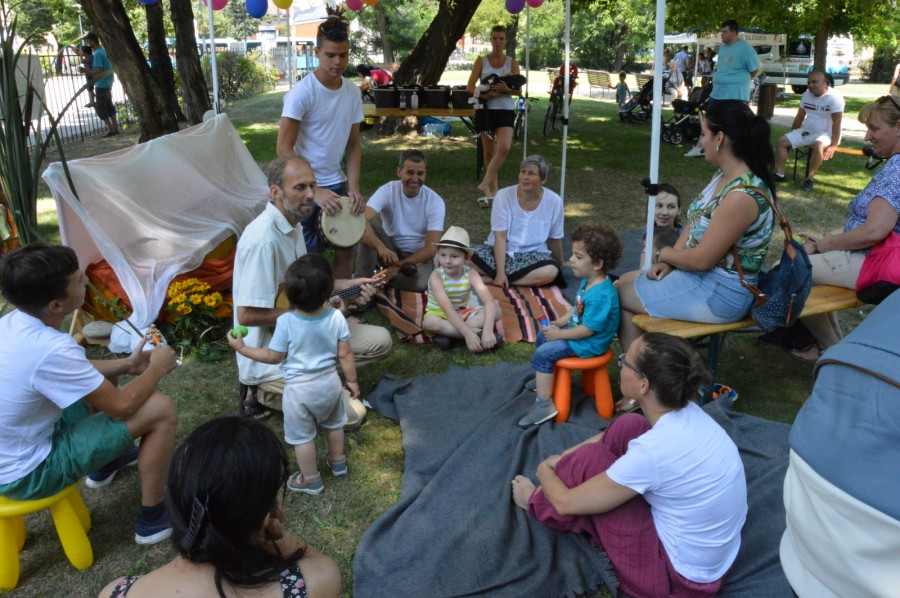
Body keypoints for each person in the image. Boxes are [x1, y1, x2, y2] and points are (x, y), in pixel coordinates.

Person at [511, 333, 747, 598]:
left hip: (677, 580)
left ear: (643, 384)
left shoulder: (654, 450)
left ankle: (536, 503)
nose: (620, 365)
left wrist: (545, 467)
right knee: (628, 425)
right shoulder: (689, 414)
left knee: (592, 461)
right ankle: (568, 475)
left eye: (625, 361)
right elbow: (610, 436)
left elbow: (567, 502)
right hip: (711, 560)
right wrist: (565, 456)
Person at [0, 244, 178, 545]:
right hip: (26, 474)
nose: (86, 281)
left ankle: (105, 464)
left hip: (9, 453)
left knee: (106, 374)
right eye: (79, 280)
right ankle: (153, 518)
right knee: (160, 408)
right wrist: (157, 368)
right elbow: (122, 407)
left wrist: (128, 363)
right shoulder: (52, 347)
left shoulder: (12, 322)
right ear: (56, 306)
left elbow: (65, 368)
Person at [99, 416, 342, 598]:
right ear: (267, 519)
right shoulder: (311, 584)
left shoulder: (116, 592)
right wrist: (273, 535)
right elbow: (317, 562)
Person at [232, 155, 392, 424]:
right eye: (299, 188)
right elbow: (247, 315)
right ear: (276, 192)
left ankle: (319, 378)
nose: (310, 195)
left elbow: (302, 289)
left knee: (381, 341)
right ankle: (260, 390)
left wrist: (350, 286)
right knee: (353, 416)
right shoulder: (262, 240)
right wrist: (311, 313)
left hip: (301, 340)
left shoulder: (293, 227)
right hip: (273, 358)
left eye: (312, 186)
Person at [617, 100, 776, 351]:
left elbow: (703, 260)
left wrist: (662, 252)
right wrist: (668, 262)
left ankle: (644, 372)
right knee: (623, 281)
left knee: (616, 294)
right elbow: (694, 221)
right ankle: (642, 369)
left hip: (721, 294)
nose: (701, 142)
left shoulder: (741, 195)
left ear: (720, 138)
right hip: (702, 280)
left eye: (703, 134)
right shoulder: (725, 175)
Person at [229, 254, 355, 495]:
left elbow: (273, 357)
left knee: (303, 437)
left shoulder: (286, 321)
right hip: (330, 383)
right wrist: (352, 381)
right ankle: (338, 463)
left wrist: (242, 348)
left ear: (288, 295)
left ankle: (311, 480)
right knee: (334, 424)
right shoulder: (337, 316)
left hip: (299, 391)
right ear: (329, 289)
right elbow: (346, 354)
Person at [792, 95, 900, 362]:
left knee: (789, 275)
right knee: (805, 268)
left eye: (874, 128)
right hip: (872, 257)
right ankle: (838, 347)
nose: (867, 136)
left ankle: (836, 354)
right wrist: (826, 240)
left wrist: (828, 244)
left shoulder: (897, 169)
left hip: (872, 261)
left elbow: (874, 231)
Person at [276, 17, 363, 279]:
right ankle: (313, 309)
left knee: (346, 247)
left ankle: (342, 305)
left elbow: (354, 146)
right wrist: (315, 190)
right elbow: (283, 148)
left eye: (344, 55)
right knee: (309, 257)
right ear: (316, 53)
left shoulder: (352, 92)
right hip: (304, 187)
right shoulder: (303, 93)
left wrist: (354, 188)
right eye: (330, 55)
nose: (338, 62)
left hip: (336, 183)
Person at [518, 224, 622, 427]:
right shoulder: (588, 281)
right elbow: (577, 310)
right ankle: (546, 377)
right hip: (580, 336)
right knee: (543, 337)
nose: (571, 260)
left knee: (544, 353)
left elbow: (587, 330)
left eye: (578, 257)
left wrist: (559, 335)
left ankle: (544, 405)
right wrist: (558, 323)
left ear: (598, 263)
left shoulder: (601, 294)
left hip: (590, 343)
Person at [354, 149, 445, 291]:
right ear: (399, 172)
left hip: (416, 257)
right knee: (364, 224)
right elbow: (361, 220)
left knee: (421, 283)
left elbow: (431, 249)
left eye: (420, 174)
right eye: (410, 172)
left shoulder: (435, 201)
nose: (415, 178)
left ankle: (377, 280)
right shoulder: (387, 191)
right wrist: (380, 247)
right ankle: (361, 287)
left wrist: (396, 268)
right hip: (389, 249)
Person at [470, 155, 565, 288]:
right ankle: (506, 277)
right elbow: (500, 237)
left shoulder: (554, 202)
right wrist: (500, 272)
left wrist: (561, 264)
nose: (525, 177)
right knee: (459, 256)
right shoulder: (503, 195)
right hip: (498, 252)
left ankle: (492, 279)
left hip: (533, 256)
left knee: (550, 272)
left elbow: (554, 238)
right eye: (523, 172)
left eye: (531, 173)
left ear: (543, 180)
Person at [685, 20, 762, 157]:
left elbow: (756, 69)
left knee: (734, 125)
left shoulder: (745, 48)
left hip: (736, 95)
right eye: (722, 32)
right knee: (709, 121)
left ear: (733, 32)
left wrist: (741, 80)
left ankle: (738, 152)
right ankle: (700, 147)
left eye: (725, 32)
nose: (722, 34)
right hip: (718, 92)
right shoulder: (723, 48)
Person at [467, 25, 522, 204]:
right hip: (485, 110)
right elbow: (469, 87)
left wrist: (507, 89)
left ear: (505, 41)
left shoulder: (511, 63)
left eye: (501, 38)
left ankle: (485, 183)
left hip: (505, 110)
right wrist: (484, 95)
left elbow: (518, 91)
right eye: (494, 38)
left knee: (504, 147)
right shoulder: (481, 61)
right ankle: (493, 192)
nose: (497, 42)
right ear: (490, 40)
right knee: (489, 152)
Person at [422, 226, 499, 352]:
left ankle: (449, 335)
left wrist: (488, 330)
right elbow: (447, 310)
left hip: (462, 313)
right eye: (443, 255)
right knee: (430, 323)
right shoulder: (436, 276)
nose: (447, 261)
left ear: (466, 259)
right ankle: (473, 335)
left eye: (454, 256)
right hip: (440, 315)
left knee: (496, 310)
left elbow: (489, 301)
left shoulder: (471, 273)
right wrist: (468, 333)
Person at [773, 72, 844, 193]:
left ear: (824, 82)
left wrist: (833, 145)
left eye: (814, 82)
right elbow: (800, 116)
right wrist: (792, 135)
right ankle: (780, 174)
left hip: (827, 133)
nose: (810, 85)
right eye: (808, 83)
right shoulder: (806, 95)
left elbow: (837, 123)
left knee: (818, 145)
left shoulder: (835, 97)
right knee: (781, 141)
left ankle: (809, 179)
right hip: (807, 131)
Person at [80, 32, 119, 137]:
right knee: (109, 105)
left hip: (101, 83)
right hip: (108, 81)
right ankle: (115, 127)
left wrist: (85, 71)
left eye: (87, 41)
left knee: (99, 108)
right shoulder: (103, 50)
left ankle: (111, 129)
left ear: (92, 41)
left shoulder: (97, 54)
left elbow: (99, 71)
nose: (87, 43)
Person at [638, 183, 683, 265]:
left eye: (671, 207)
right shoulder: (649, 232)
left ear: (679, 210)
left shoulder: (684, 237)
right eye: (659, 206)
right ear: (650, 207)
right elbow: (642, 270)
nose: (664, 212)